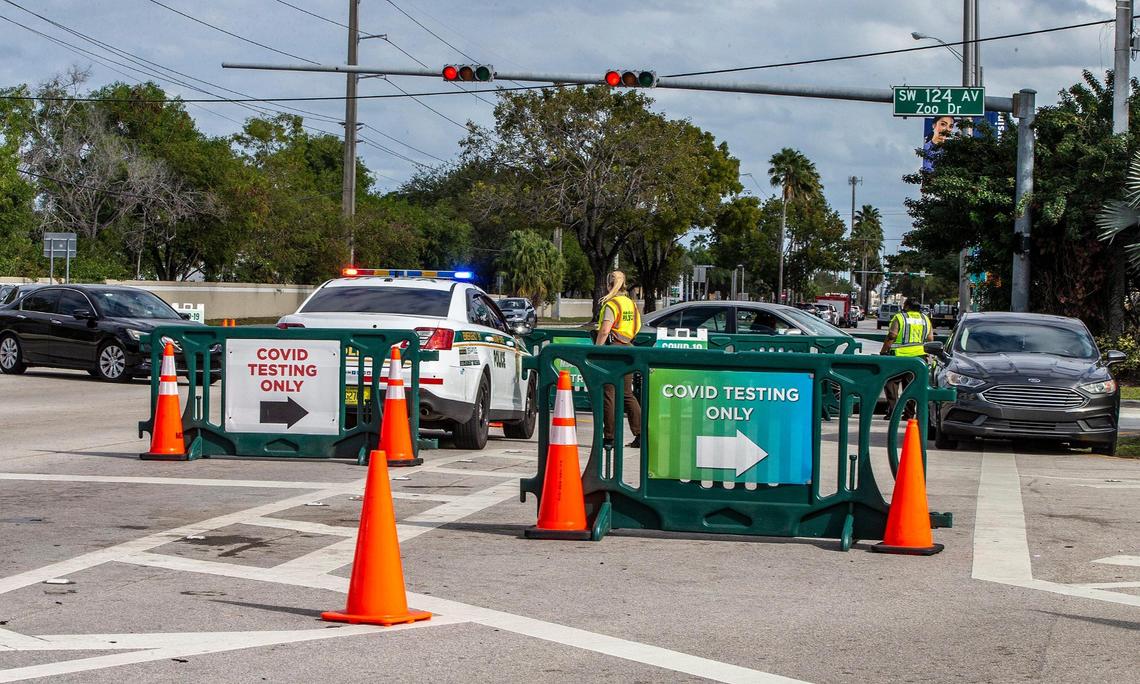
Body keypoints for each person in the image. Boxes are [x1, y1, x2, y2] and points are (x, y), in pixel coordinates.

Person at [595, 270, 643, 449]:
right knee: (627, 394)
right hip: (628, 349)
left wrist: (597, 350)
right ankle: (640, 434)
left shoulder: (612, 304)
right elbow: (637, 325)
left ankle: (610, 437)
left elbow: (605, 330)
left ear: (609, 285)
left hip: (612, 350)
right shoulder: (630, 303)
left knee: (609, 394)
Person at [879, 297, 934, 420]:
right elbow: (930, 339)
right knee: (911, 386)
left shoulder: (900, 317)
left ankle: (893, 412)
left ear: (907, 306)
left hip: (899, 357)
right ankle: (909, 414)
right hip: (918, 359)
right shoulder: (925, 319)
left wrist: (883, 351)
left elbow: (892, 335)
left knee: (891, 383)